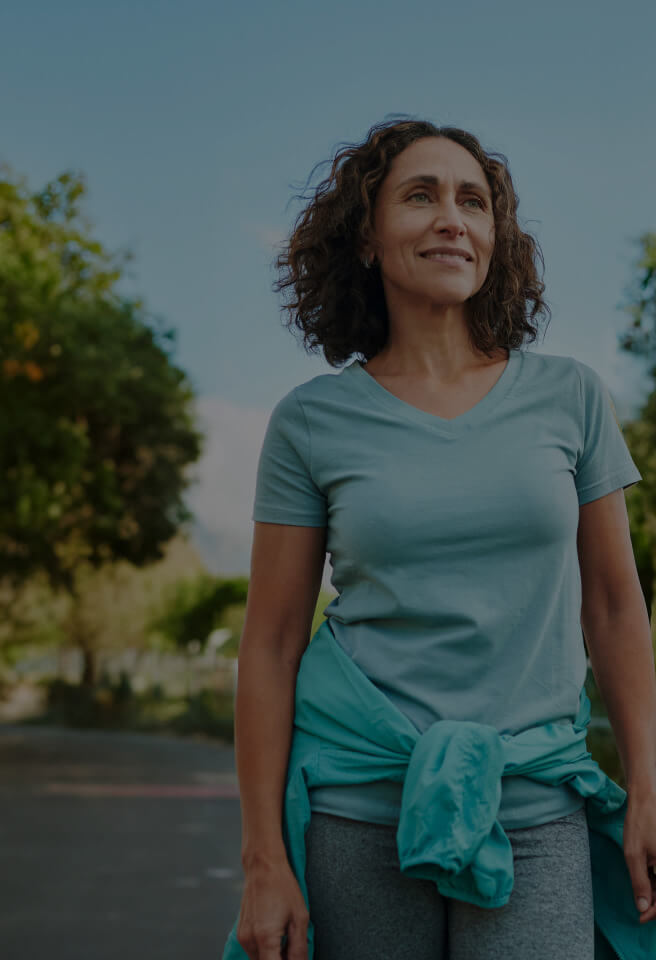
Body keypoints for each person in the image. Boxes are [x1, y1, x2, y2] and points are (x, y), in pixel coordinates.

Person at [227, 117, 656, 959]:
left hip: (532, 801)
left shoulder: (571, 397)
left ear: (496, 237)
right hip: (359, 804)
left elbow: (612, 605)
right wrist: (263, 858)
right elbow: (272, 641)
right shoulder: (312, 421)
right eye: (419, 197)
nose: (451, 218)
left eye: (473, 200)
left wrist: (648, 780)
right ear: (365, 238)